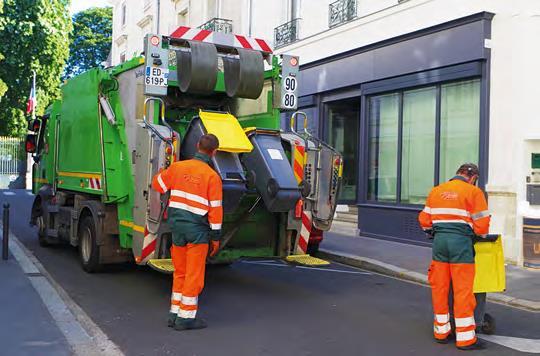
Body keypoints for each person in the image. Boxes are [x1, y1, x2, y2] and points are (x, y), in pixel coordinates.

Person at [152, 134, 223, 331]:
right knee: (194, 275)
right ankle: (185, 319)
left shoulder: (177, 168)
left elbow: (158, 185)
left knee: (180, 272)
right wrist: (216, 238)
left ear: (198, 146)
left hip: (177, 230)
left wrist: (160, 172)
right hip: (197, 233)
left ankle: (174, 314)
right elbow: (216, 211)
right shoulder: (212, 177)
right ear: (214, 152)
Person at [418, 163, 490, 350]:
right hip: (461, 245)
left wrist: (434, 232)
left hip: (440, 244)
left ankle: (441, 332)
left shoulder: (436, 191)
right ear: (473, 177)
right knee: (462, 290)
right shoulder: (473, 192)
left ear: (457, 173)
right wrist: (475, 235)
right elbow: (482, 227)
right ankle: (465, 338)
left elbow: (424, 221)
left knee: (440, 288)